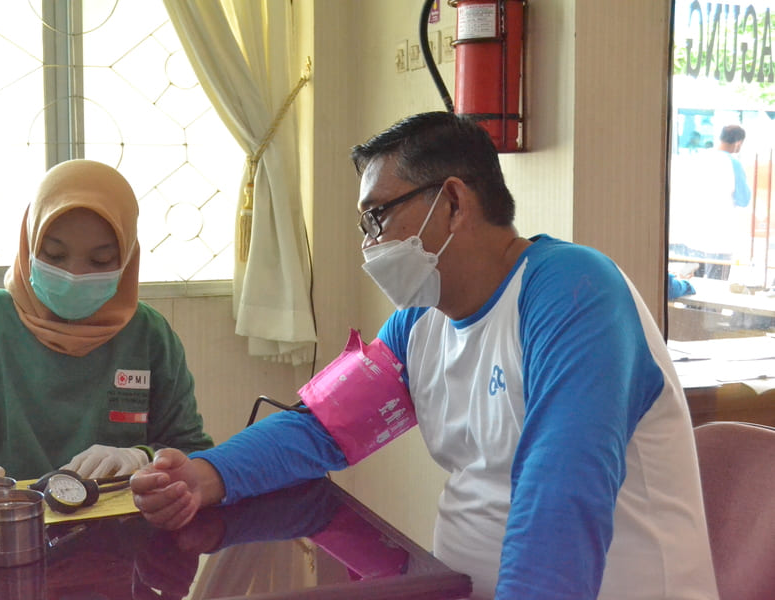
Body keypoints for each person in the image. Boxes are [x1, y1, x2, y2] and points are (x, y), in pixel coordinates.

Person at [130, 112, 718, 599]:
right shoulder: (421, 320)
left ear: (454, 202)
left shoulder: (572, 291)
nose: (369, 244)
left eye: (377, 216)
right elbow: (321, 430)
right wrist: (206, 476)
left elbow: (562, 491)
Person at [0, 159, 213, 491]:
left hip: (120, 524)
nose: (74, 275)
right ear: (29, 244)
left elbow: (192, 450)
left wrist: (143, 458)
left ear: (127, 258)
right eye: (54, 255)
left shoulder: (149, 337)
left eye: (100, 260)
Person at [669, 124, 752, 280]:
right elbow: (743, 199)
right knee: (715, 287)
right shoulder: (733, 164)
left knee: (691, 283)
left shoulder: (698, 158)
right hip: (719, 238)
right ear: (738, 142)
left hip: (693, 235)